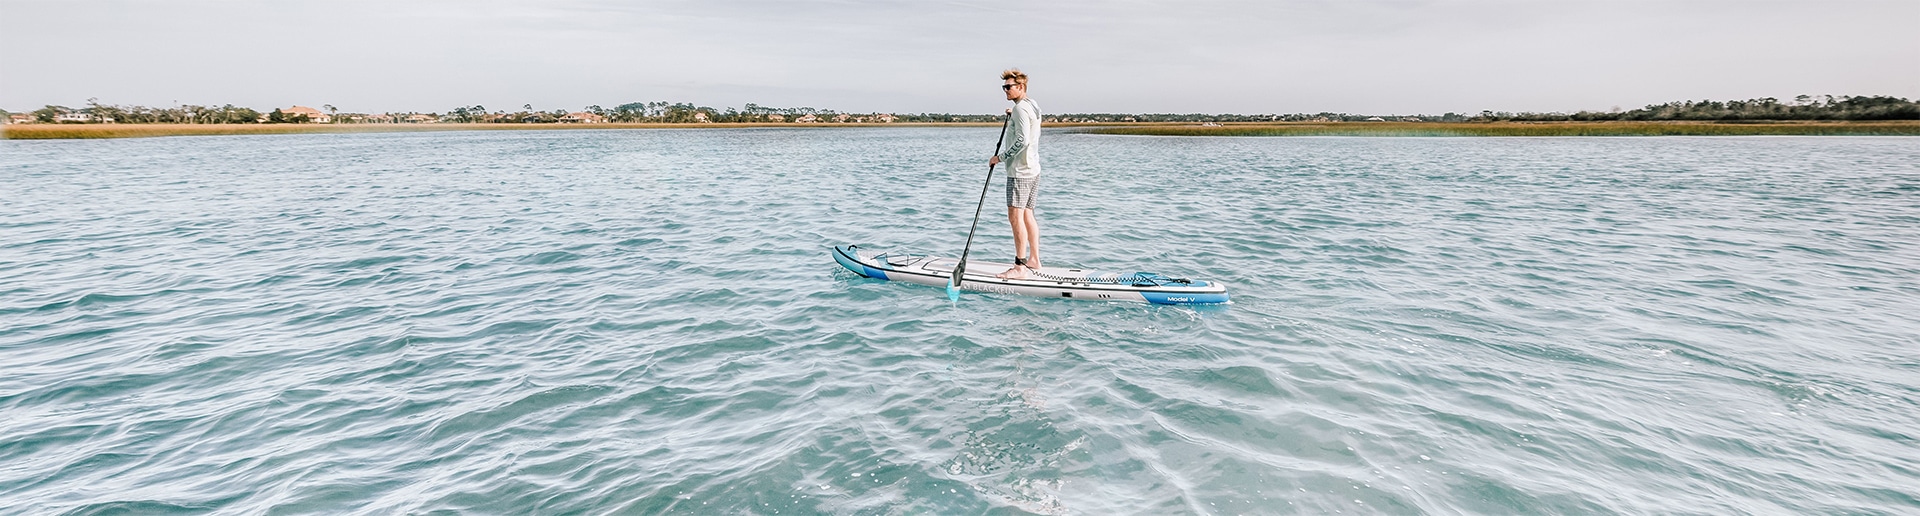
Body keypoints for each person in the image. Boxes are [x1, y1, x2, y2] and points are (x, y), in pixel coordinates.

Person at [992, 69, 1043, 279]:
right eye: (1004, 87)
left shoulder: (1022, 109)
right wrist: (1013, 115)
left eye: (1008, 87)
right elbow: (1028, 124)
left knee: (1015, 217)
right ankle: (1034, 260)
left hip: (1020, 172)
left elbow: (1022, 141)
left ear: (1020, 87)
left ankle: (1020, 267)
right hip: (1033, 169)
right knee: (1028, 214)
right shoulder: (1032, 104)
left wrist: (1000, 157)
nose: (1005, 91)